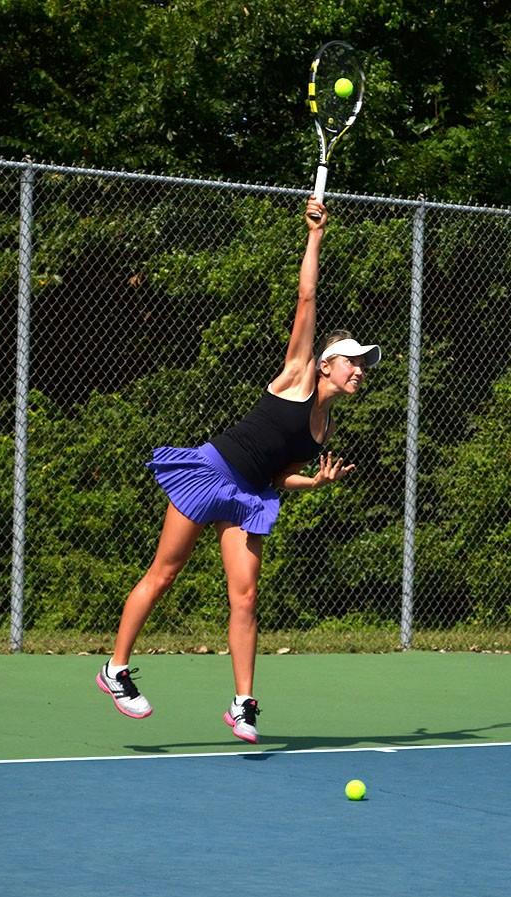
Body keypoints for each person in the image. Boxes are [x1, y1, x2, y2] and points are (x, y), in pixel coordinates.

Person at [96, 195, 381, 744]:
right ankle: (115, 669)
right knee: (166, 572)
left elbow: (278, 479)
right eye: (354, 362)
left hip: (250, 496)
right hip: (211, 473)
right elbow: (307, 296)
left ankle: (243, 703)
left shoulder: (323, 428)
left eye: (365, 366)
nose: (360, 371)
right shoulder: (299, 375)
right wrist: (315, 236)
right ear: (327, 363)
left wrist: (314, 482)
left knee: (246, 596)